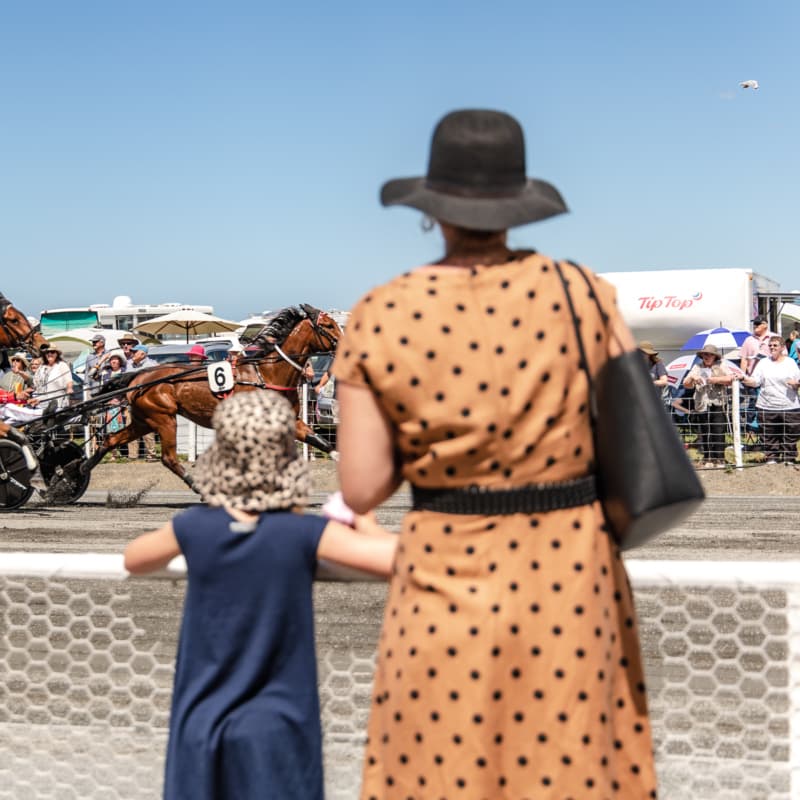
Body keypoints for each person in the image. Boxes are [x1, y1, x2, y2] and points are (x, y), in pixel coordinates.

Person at [332, 109, 658, 798]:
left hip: (444, 565)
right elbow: (629, 427)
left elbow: (361, 487)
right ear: (516, 206)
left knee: (439, 768)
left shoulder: (382, 311)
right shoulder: (584, 294)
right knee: (569, 769)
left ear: (432, 210)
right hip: (570, 570)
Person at [123, 391, 397, 800]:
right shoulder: (304, 533)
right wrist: (364, 518)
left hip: (200, 716)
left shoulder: (195, 527)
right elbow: (398, 559)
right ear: (287, 457)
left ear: (220, 455)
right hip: (279, 720)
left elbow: (134, 558)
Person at [743, 334, 800, 464]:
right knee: (769, 433)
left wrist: (795, 384)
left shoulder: (790, 363)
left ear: (782, 347)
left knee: (791, 433)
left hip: (789, 405)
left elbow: (797, 381)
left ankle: (789, 457)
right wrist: (744, 379)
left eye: (775, 345)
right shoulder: (763, 363)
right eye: (770, 345)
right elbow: (756, 381)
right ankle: (772, 457)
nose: (772, 347)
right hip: (767, 405)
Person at [682, 344, 735, 466]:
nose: (707, 356)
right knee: (704, 431)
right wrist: (693, 377)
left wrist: (715, 380)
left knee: (718, 430)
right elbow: (686, 383)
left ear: (714, 356)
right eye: (705, 354)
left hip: (718, 402)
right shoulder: (697, 367)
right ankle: (707, 457)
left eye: (710, 354)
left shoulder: (721, 365)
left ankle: (720, 458)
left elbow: (731, 378)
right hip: (702, 402)